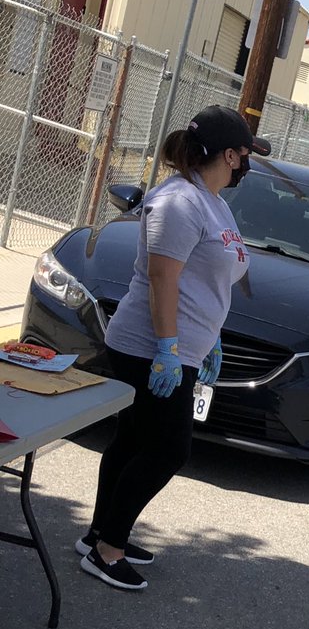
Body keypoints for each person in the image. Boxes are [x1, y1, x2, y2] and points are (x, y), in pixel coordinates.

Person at [78, 105, 270, 591]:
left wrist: (211, 339)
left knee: (133, 441)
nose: (248, 164)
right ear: (229, 154)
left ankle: (101, 533)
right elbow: (164, 278)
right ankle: (107, 551)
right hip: (150, 347)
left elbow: (208, 281)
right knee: (168, 450)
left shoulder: (212, 201)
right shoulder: (178, 202)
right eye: (246, 154)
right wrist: (169, 348)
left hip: (182, 346)